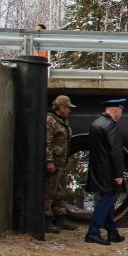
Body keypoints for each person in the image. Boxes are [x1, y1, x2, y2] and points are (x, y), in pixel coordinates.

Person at [85, 98, 127, 245]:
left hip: (98, 169)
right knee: (106, 200)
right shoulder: (111, 126)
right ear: (115, 110)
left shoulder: (96, 123)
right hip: (108, 171)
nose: (121, 114)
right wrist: (118, 174)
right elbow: (115, 152)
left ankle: (112, 232)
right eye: (121, 111)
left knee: (108, 201)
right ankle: (93, 232)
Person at [44, 95, 79, 233]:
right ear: (61, 107)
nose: (70, 110)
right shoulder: (50, 121)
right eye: (68, 108)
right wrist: (49, 161)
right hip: (54, 164)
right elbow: (46, 142)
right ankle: (45, 221)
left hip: (61, 163)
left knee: (59, 192)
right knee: (49, 192)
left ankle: (60, 219)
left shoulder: (63, 122)